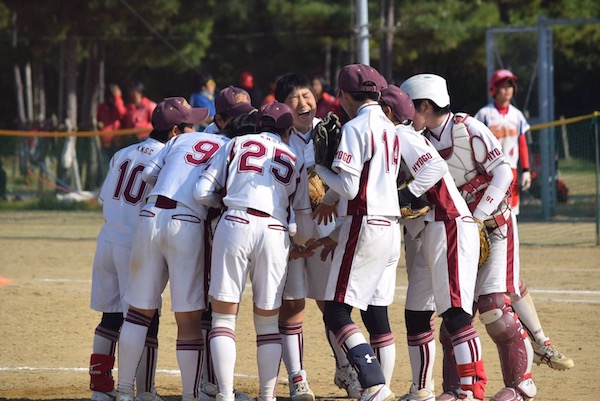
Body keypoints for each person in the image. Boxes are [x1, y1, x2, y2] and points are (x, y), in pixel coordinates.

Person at [401, 74, 537, 401]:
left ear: (425, 106)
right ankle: (454, 388)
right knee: (456, 312)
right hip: (454, 232)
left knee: (492, 307)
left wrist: (479, 217)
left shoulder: (469, 128)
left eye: (410, 108)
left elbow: (504, 170)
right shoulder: (417, 138)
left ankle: (522, 384)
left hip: (492, 225)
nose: (405, 116)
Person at [194, 102, 311, 401]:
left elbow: (202, 192)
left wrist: (228, 202)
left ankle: (224, 394)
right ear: (287, 130)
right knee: (268, 323)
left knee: (223, 318)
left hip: (235, 221)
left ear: (258, 124)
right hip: (274, 230)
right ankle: (268, 396)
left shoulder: (236, 144)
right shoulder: (294, 157)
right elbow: (301, 216)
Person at [378, 85, 487, 401]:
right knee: (415, 313)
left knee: (454, 312)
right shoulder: (393, 138)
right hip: (425, 232)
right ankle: (421, 389)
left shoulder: (401, 135)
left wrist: (404, 195)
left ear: (388, 113)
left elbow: (435, 167)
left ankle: (472, 390)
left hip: (447, 224)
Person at [306, 64, 400, 401]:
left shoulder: (355, 126)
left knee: (335, 311)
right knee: (376, 313)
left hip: (365, 222)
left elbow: (348, 185)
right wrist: (329, 199)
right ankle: (382, 387)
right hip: (391, 225)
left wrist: (319, 168)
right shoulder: (391, 127)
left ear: (345, 95)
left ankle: (373, 381)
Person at [115, 97, 217, 401]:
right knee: (187, 319)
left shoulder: (175, 143)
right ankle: (190, 395)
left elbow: (148, 176)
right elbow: (209, 192)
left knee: (137, 313)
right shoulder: (222, 145)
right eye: (192, 122)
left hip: (149, 215)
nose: (196, 126)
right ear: (179, 127)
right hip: (185, 220)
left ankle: (123, 392)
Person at [475, 69, 574, 371]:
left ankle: (537, 346)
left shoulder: (516, 115)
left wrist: (528, 169)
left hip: (510, 180)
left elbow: (520, 143)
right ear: (493, 89)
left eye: (511, 86)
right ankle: (538, 344)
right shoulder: (484, 114)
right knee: (500, 283)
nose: (507, 90)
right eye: (503, 86)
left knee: (508, 237)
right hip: (490, 181)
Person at [273, 72, 362, 401]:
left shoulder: (333, 130)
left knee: (332, 305)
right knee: (293, 304)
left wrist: (332, 200)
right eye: (294, 98)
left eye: (306, 95)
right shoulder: (277, 137)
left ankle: (346, 368)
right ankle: (298, 379)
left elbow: (350, 176)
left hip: (327, 225)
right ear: (283, 106)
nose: (303, 103)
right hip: (291, 228)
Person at [89, 99, 171, 401]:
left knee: (109, 317)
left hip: (107, 238)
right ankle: (146, 391)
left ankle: (101, 389)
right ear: (175, 130)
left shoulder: (122, 153)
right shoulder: (168, 156)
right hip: (134, 245)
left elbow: (103, 200)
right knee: (146, 316)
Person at [96, 84, 127, 163]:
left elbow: (122, 113)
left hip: (118, 142)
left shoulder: (119, 105)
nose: (111, 99)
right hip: (105, 142)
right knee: (106, 165)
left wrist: (117, 97)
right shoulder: (101, 108)